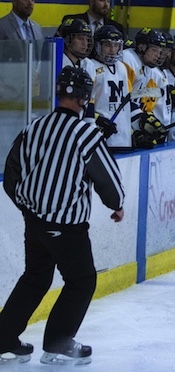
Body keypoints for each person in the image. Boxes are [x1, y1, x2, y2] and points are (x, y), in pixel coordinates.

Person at [0, 66, 125, 365]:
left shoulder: (35, 126)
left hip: (34, 222)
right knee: (82, 280)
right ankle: (58, 343)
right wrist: (116, 204)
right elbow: (107, 178)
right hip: (67, 226)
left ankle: (3, 339)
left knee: (35, 278)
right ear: (84, 97)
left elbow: (11, 172)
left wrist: (28, 206)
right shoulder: (85, 132)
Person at [59, 0, 125, 39]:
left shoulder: (117, 27)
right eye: (102, 0)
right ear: (91, 2)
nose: (106, 5)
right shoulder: (72, 21)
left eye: (108, 1)